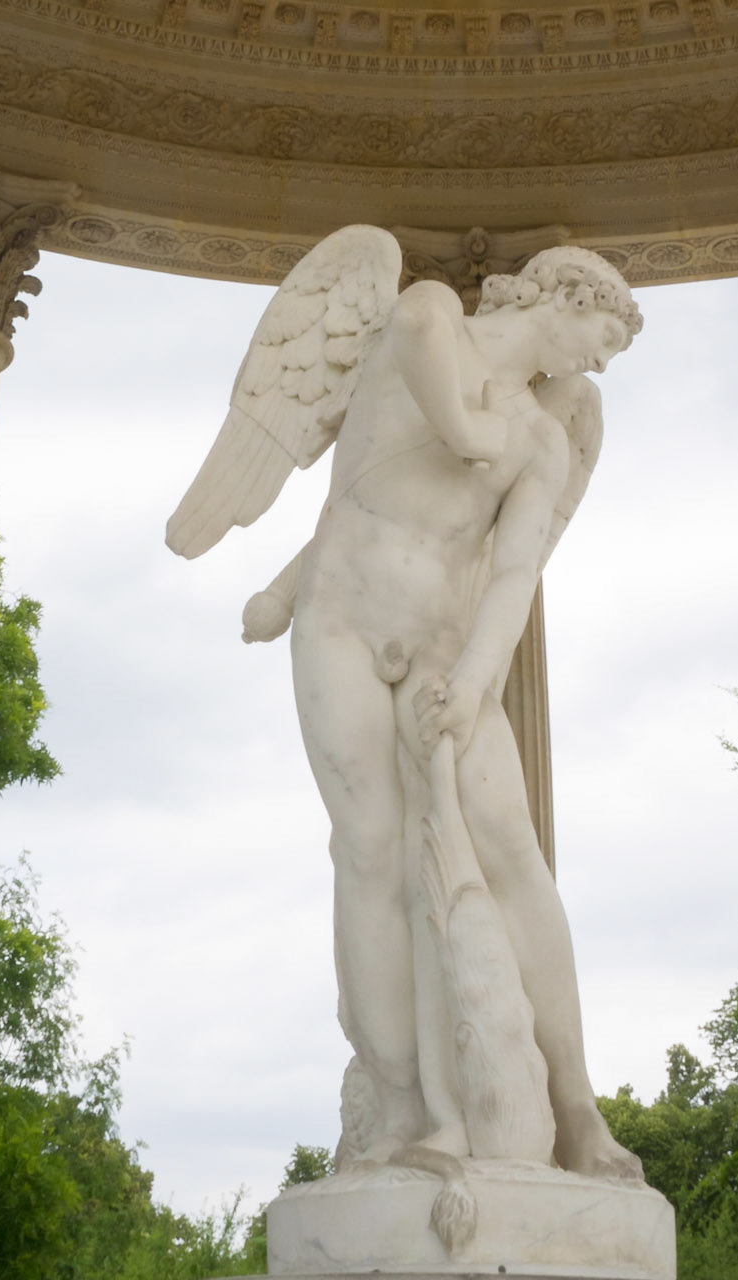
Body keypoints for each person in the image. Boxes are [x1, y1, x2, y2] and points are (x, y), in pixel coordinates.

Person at [286, 246, 644, 1180]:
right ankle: (401, 1106)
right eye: (601, 335)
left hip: (449, 651)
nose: (598, 362)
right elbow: (410, 342)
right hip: (342, 623)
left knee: (511, 851)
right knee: (367, 849)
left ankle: (575, 1107)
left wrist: (477, 684)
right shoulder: (433, 314)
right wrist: (464, 429)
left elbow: (515, 574)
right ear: (562, 297)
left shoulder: (544, 438)